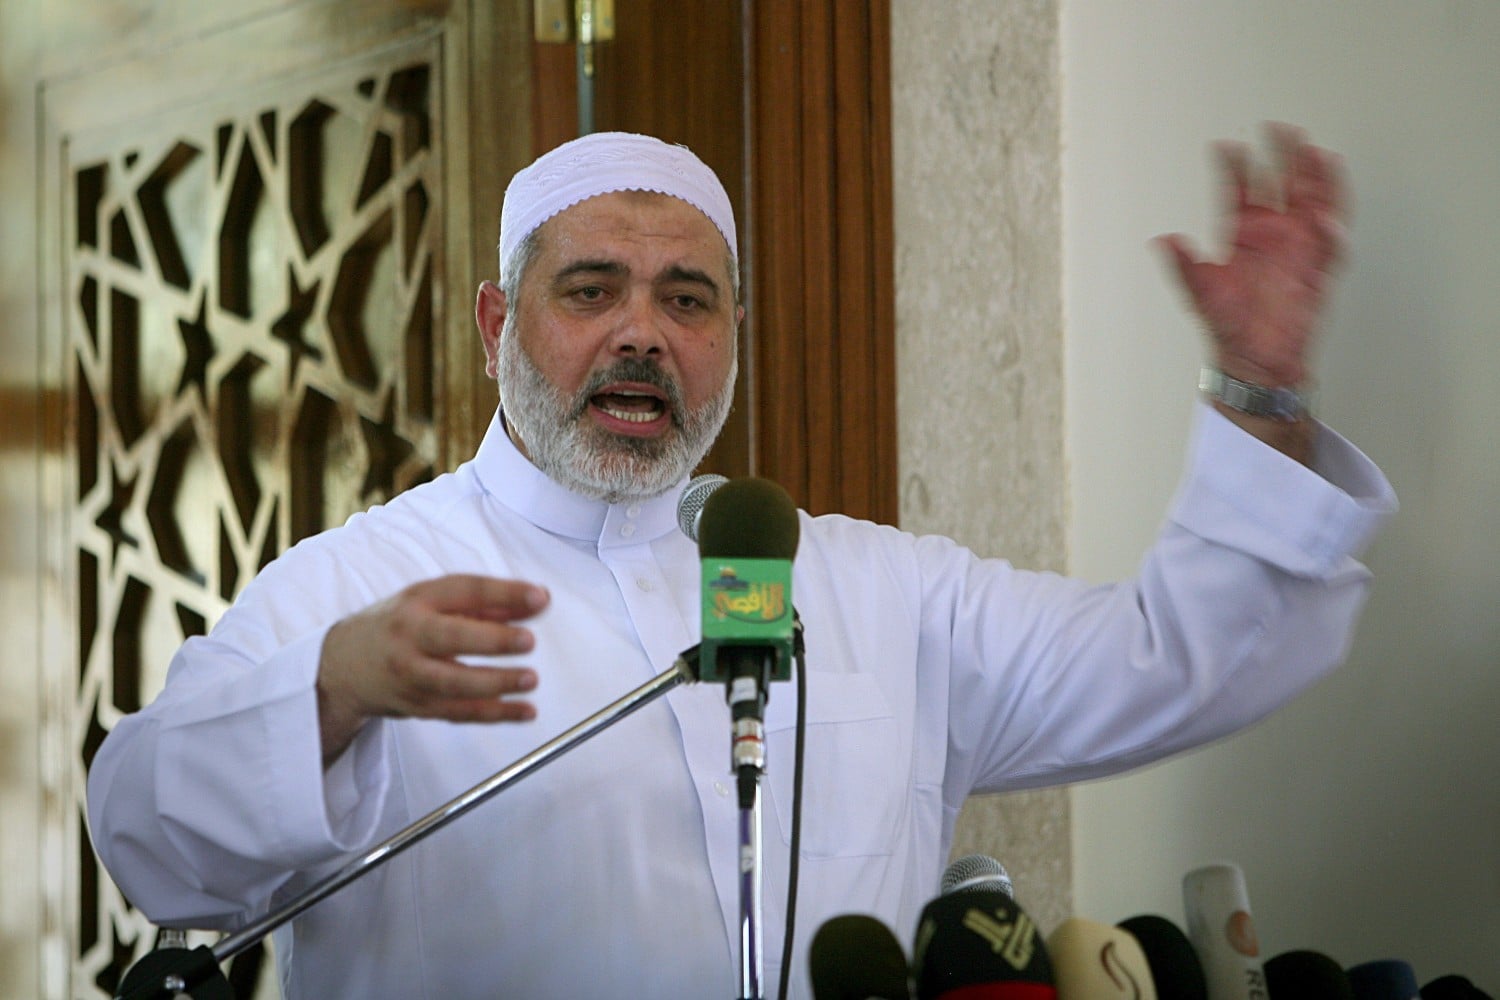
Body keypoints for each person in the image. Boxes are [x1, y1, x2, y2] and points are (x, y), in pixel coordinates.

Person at [88, 128, 1396, 998]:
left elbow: (1177, 660)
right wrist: (334, 691)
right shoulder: (356, 587)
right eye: (591, 290)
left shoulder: (872, 589)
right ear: (496, 325)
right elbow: (145, 835)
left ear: (734, 333)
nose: (642, 335)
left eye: (687, 298)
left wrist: (1260, 391)